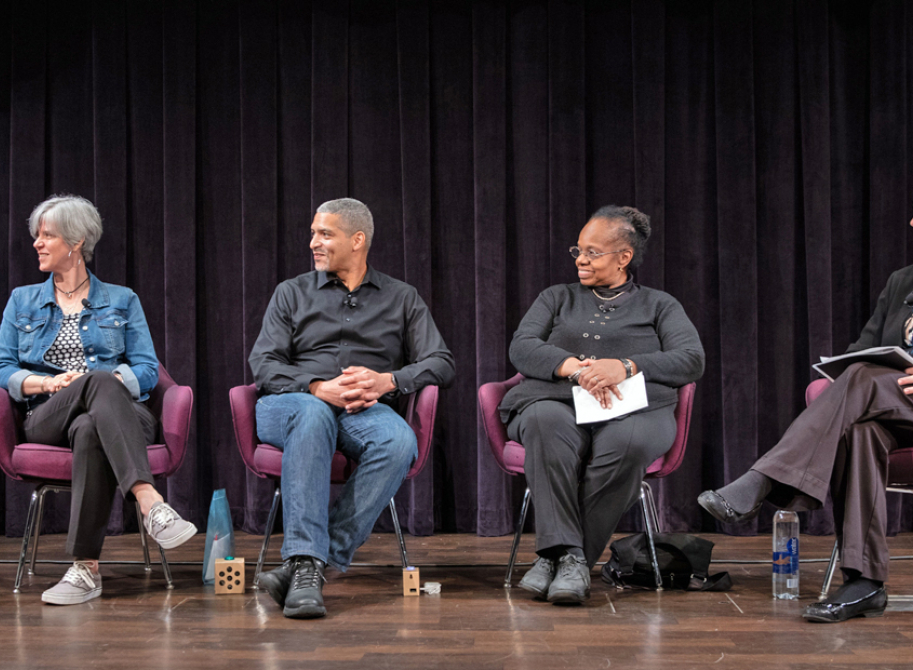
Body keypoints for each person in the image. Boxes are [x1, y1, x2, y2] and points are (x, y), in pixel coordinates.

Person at [698, 162, 913, 623]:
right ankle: (864, 583)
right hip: (895, 404)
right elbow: (862, 352)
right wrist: (842, 372)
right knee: (861, 429)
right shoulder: (904, 281)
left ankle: (763, 481)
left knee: (864, 380)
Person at [248, 197, 455, 619]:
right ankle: (305, 559)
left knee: (398, 442)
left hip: (362, 410)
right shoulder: (291, 293)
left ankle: (311, 567)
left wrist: (389, 381)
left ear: (357, 240)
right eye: (313, 233)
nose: (313, 243)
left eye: (325, 234)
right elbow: (263, 364)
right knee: (312, 412)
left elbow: (441, 362)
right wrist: (317, 386)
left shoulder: (401, 297)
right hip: (290, 404)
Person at [0, 194, 196, 606]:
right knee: (93, 389)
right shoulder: (22, 300)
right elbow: (1, 370)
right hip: (48, 415)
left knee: (90, 426)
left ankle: (85, 570)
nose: (37, 244)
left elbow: (148, 371)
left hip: (120, 415)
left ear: (76, 241)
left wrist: (105, 381)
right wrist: (47, 385)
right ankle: (150, 501)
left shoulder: (122, 299)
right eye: (37, 235)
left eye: (47, 236)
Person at [499, 206, 704, 605]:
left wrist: (625, 366)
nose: (580, 259)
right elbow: (522, 347)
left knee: (627, 444)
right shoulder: (556, 297)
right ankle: (568, 557)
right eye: (578, 250)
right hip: (555, 399)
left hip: (636, 410)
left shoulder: (660, 305)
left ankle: (558, 558)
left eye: (592, 252)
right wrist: (574, 368)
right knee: (543, 423)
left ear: (623, 257)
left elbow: (691, 359)